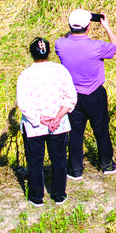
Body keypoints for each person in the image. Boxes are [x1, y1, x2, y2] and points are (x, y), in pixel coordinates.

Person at [55, 10, 116, 179]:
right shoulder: (97, 47)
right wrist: (106, 27)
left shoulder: (60, 45)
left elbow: (66, 37)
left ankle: (76, 170)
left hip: (72, 95)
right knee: (101, 129)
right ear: (89, 27)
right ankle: (106, 164)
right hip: (95, 94)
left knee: (75, 132)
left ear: (70, 26)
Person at [17, 38, 77, 207]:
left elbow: (23, 103)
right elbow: (70, 97)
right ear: (49, 52)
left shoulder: (25, 75)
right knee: (58, 160)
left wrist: (40, 119)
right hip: (59, 124)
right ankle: (59, 194)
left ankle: (36, 197)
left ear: (31, 54)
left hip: (34, 126)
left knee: (35, 162)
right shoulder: (61, 71)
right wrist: (58, 117)